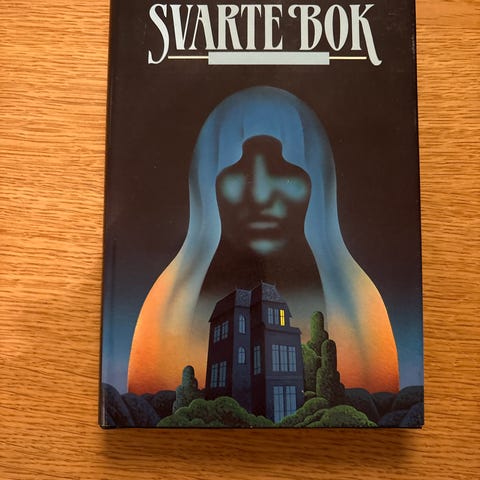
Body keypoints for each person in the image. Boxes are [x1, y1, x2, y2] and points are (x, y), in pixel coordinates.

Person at [127, 86, 399, 394]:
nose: (260, 194)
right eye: (238, 169)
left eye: (285, 168)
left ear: (319, 182)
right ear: (205, 182)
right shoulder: (165, 315)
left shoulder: (363, 314)